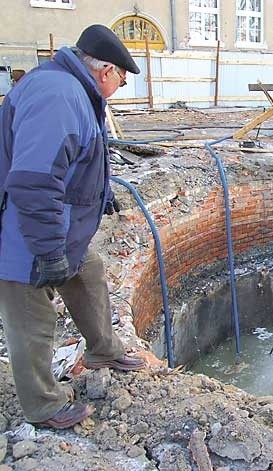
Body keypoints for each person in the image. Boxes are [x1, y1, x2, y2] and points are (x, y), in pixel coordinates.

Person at [0, 24, 145, 430]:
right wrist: (47, 252)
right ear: (104, 71)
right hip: (24, 229)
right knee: (31, 315)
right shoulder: (59, 97)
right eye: (121, 77)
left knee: (89, 272)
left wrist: (100, 193)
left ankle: (103, 350)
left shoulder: (75, 91)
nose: (120, 85)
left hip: (59, 225)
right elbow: (33, 182)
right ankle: (43, 406)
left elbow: (73, 159)